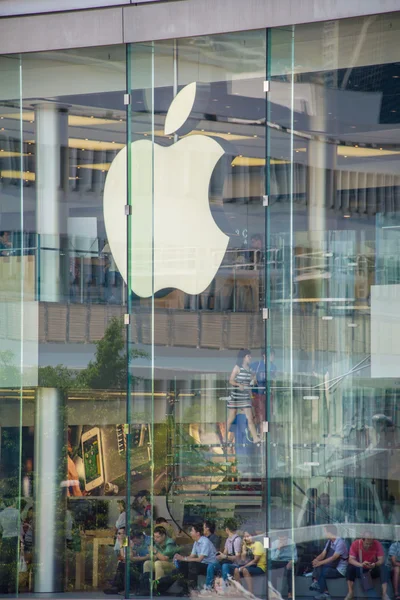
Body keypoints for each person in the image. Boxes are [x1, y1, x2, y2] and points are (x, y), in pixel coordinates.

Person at [228, 348, 260, 443]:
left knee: (250, 418)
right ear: (244, 357)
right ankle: (225, 438)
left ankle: (255, 438)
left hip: (245, 396)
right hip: (236, 395)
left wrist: (254, 380)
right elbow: (231, 380)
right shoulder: (237, 367)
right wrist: (238, 385)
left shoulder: (249, 369)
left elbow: (250, 382)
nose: (250, 358)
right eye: (248, 356)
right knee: (231, 416)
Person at [174, 523, 217, 593]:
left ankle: (193, 589)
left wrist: (184, 558)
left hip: (210, 566)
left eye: (192, 531)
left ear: (198, 533)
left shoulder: (205, 542)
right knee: (183, 564)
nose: (190, 532)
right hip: (202, 564)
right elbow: (191, 556)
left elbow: (200, 559)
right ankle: (184, 588)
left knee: (192, 564)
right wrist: (181, 558)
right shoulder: (196, 542)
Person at [346, 531, 389, 600]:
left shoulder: (377, 544)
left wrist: (374, 564)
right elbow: (351, 559)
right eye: (367, 543)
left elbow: (381, 560)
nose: (368, 545)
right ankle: (350, 592)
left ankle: (384, 594)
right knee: (350, 567)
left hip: (372, 568)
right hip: (360, 568)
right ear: (362, 540)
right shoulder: (356, 544)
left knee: (384, 567)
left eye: (370, 543)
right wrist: (361, 564)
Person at [310, 525, 348, 600]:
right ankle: (325, 591)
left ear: (330, 533)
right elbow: (323, 554)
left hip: (339, 570)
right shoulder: (329, 542)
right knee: (318, 566)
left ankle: (317, 583)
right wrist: (316, 560)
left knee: (324, 570)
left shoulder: (340, 543)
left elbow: (334, 557)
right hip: (331, 566)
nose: (324, 534)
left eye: (325, 532)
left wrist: (320, 563)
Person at [203, 518, 242, 591]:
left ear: (227, 529)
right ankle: (208, 588)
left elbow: (238, 558)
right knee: (211, 565)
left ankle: (226, 588)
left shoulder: (237, 540)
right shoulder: (228, 539)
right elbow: (225, 553)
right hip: (227, 562)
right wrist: (220, 556)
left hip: (234, 564)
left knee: (225, 566)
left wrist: (225, 556)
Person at [233, 528, 266, 595]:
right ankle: (240, 591)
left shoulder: (258, 544)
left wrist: (244, 566)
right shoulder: (246, 545)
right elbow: (243, 560)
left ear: (253, 536)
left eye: (248, 536)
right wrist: (244, 549)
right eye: (245, 537)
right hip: (250, 566)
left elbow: (255, 561)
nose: (246, 538)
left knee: (244, 569)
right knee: (236, 569)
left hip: (259, 566)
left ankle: (250, 592)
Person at [0, 497, 21, 594]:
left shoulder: (1, 514)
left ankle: (3, 586)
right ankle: (14, 587)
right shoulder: (17, 512)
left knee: (5, 563)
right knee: (14, 563)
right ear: (13, 502)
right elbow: (19, 527)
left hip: (5, 538)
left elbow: (0, 529)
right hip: (14, 538)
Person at [271, 530, 297, 599]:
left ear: (287, 538)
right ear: (278, 538)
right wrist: (279, 549)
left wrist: (291, 561)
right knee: (273, 572)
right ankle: (274, 593)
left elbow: (295, 557)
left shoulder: (291, 543)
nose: (282, 541)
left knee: (290, 571)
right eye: (280, 539)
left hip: (288, 561)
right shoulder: (274, 544)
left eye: (284, 539)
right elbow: (273, 558)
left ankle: (290, 593)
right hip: (277, 562)